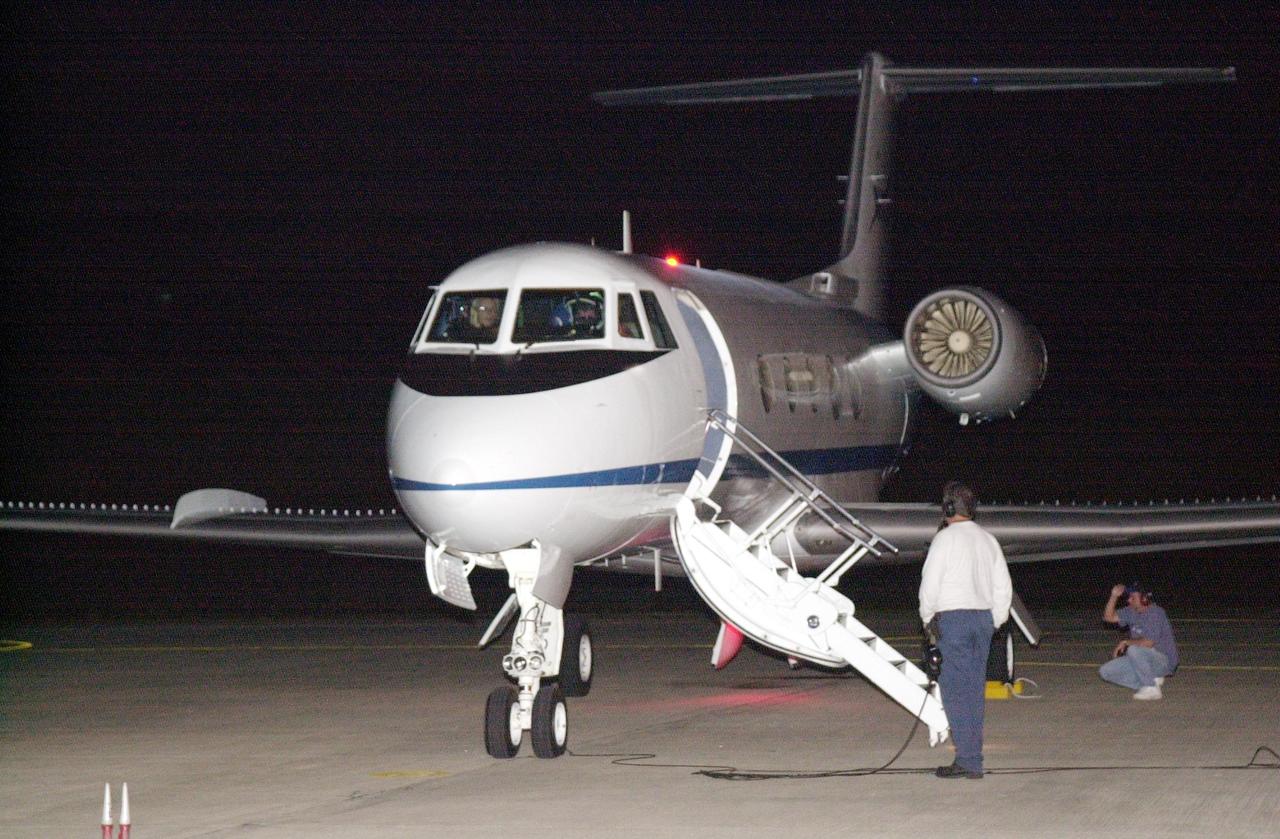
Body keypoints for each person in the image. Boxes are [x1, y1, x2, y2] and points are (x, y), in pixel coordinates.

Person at [919, 480, 1013, 780]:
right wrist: (993, 620)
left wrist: (927, 619)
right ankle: (972, 757)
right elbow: (1003, 587)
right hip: (982, 620)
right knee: (973, 692)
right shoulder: (989, 540)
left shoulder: (944, 540)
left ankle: (969, 760)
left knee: (956, 693)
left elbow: (930, 585)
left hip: (954, 621)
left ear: (948, 508)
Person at [1100, 582, 1177, 700]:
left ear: (1144, 598)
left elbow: (1149, 642)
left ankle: (1150, 687)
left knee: (1134, 650)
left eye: (1132, 597)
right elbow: (1108, 617)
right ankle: (1150, 681)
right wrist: (1114, 596)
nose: (1129, 600)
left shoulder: (1155, 612)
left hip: (1163, 661)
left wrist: (1126, 642)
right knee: (1105, 671)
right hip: (1142, 660)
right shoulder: (1131, 611)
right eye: (1128, 597)